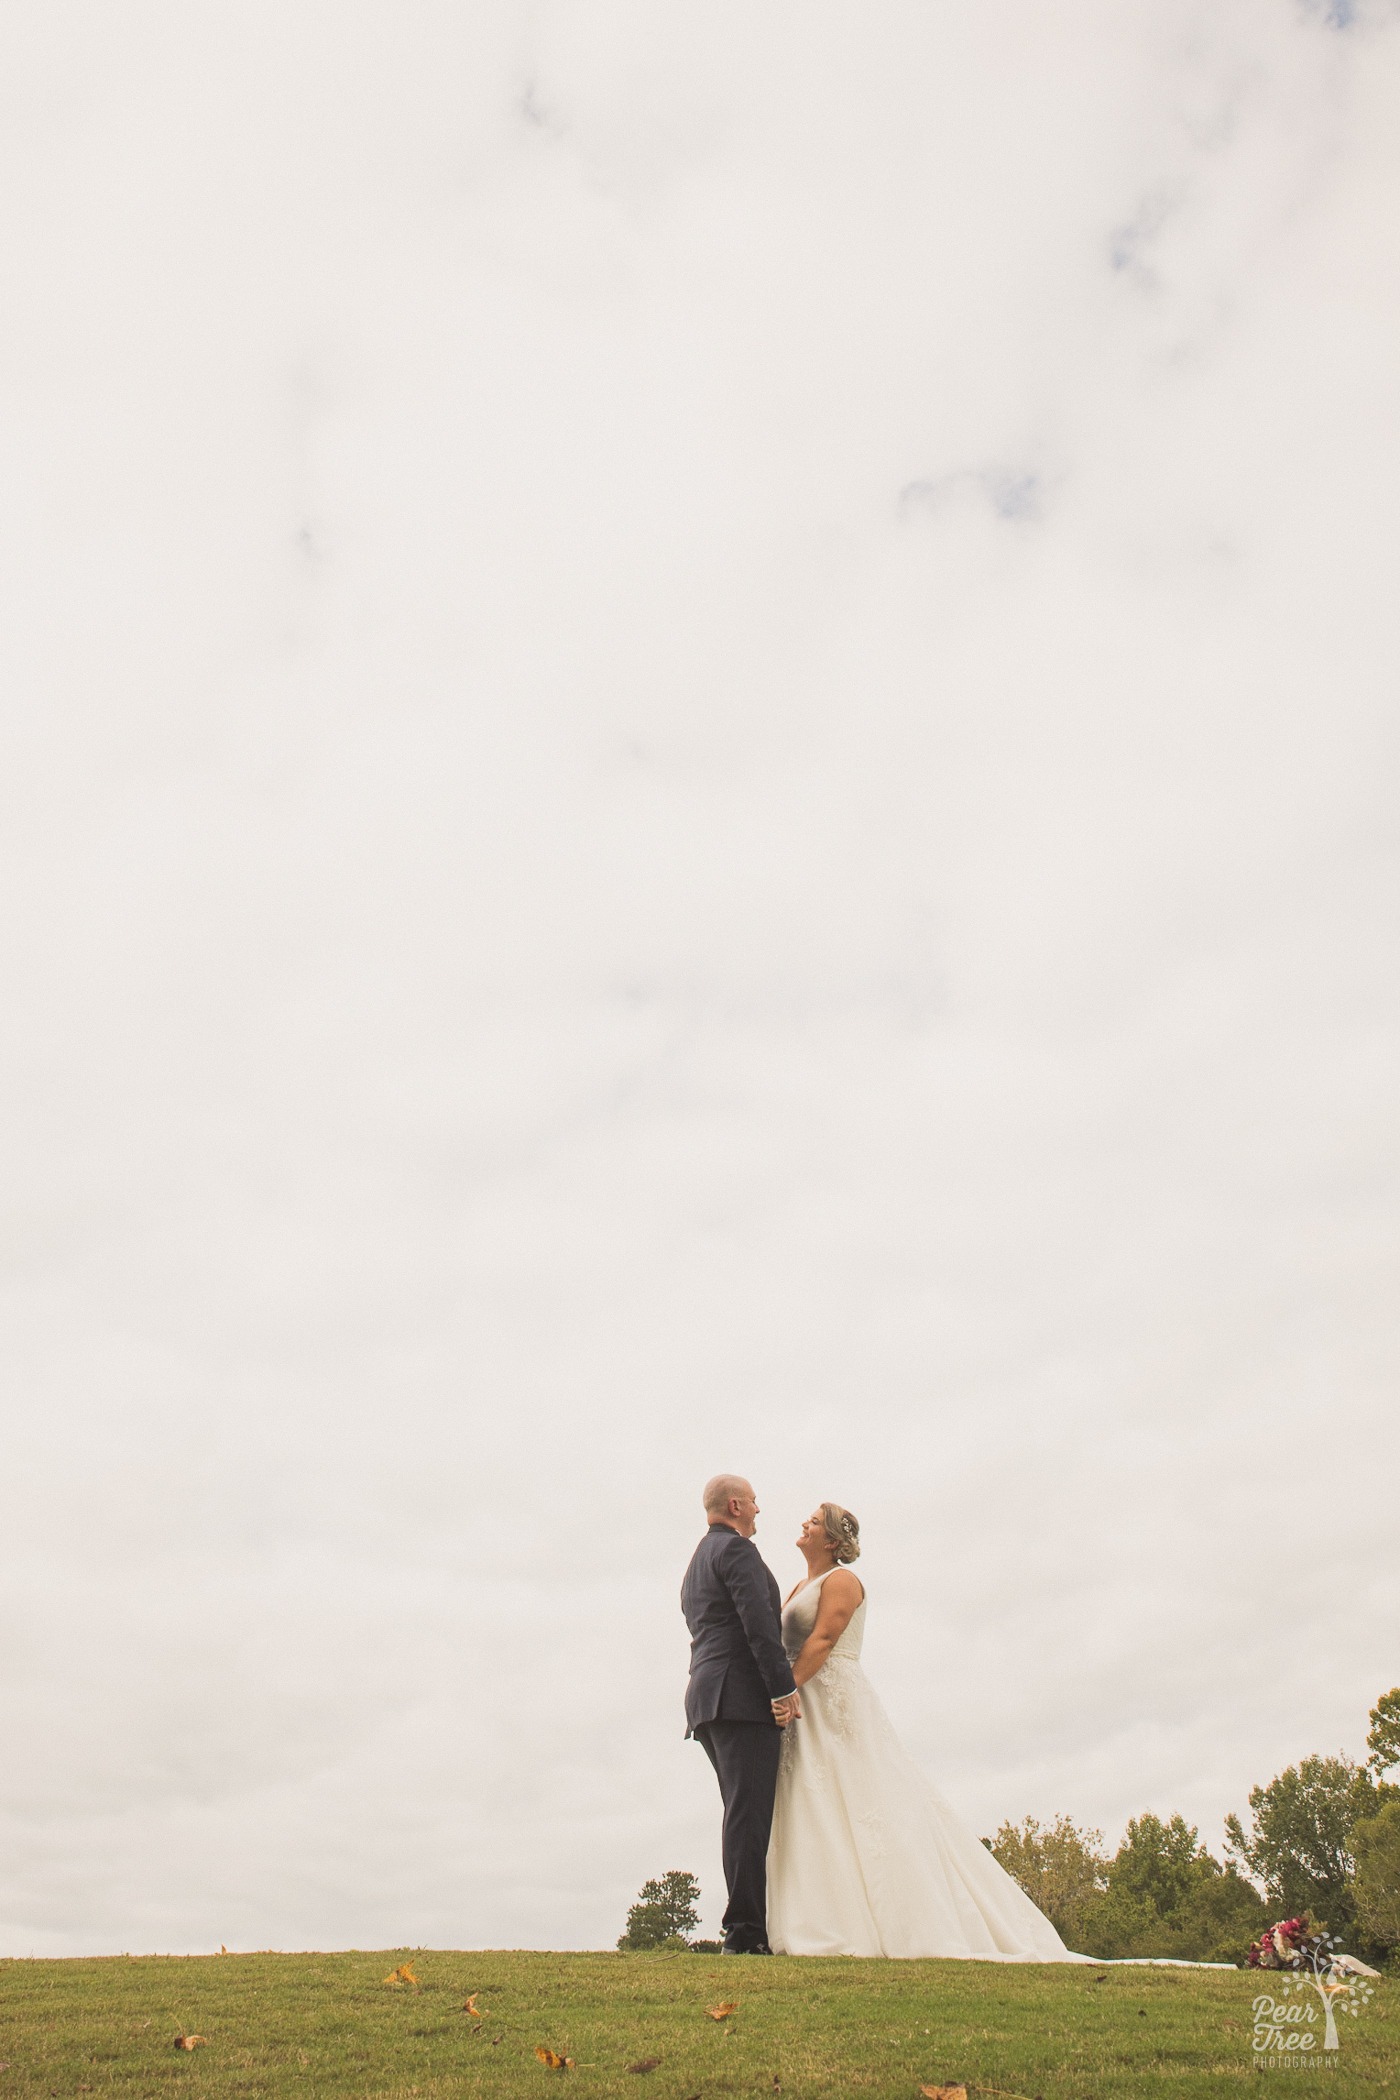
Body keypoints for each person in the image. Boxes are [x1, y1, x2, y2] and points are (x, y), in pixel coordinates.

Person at [765, 1501, 1081, 1960]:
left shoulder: (843, 1581)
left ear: (832, 1540)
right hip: (801, 1703)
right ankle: (818, 1917)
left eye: (813, 1522)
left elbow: (824, 1639)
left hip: (830, 1696)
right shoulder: (799, 1585)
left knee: (859, 1797)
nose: (803, 1524)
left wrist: (785, 1688)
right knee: (810, 1802)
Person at [680, 1474, 799, 1954]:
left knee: (740, 1812)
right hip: (741, 1697)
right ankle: (745, 1934)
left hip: (708, 1697)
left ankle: (746, 1927)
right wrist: (782, 1690)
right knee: (749, 1817)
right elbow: (759, 1626)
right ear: (735, 1504)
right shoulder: (736, 1552)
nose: (757, 1509)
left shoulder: (697, 1561)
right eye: (753, 1501)